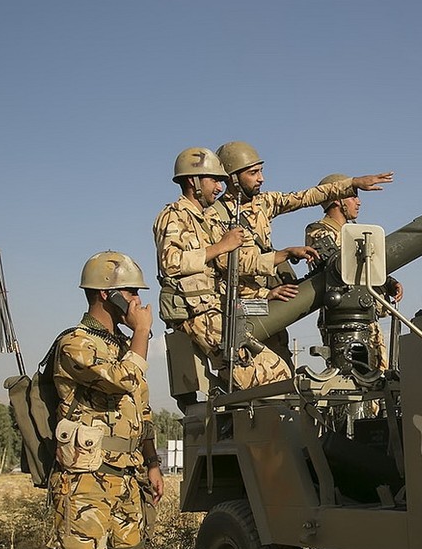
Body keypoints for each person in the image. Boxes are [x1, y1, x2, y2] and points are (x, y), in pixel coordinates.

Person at [45, 250, 165, 549]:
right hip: (86, 479)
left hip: (127, 477)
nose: (137, 301)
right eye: (131, 292)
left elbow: (142, 411)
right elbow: (121, 380)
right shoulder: (74, 345)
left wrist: (152, 463)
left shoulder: (123, 347)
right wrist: (143, 334)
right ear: (105, 295)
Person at [213, 142, 393, 368]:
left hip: (271, 299)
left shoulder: (264, 203)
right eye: (253, 173)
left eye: (261, 171)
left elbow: (305, 197)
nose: (261, 178)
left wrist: (352, 183)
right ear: (233, 178)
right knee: (247, 373)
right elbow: (229, 265)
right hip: (241, 306)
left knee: (283, 368)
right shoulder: (214, 216)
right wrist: (284, 254)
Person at [153, 147, 311, 391]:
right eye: (214, 180)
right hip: (197, 313)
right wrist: (220, 246)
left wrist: (266, 289)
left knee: (279, 367)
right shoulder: (173, 215)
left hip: (222, 308)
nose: (219, 187)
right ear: (192, 181)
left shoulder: (210, 220)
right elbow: (171, 263)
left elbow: (231, 269)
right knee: (273, 372)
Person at [305, 173, 404, 364]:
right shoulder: (318, 230)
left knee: (377, 377)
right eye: (352, 196)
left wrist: (389, 282)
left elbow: (367, 268)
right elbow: (338, 267)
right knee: (351, 377)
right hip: (341, 321)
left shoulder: (356, 233)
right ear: (336, 199)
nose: (358, 202)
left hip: (367, 316)